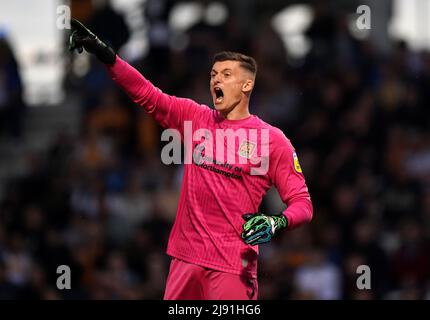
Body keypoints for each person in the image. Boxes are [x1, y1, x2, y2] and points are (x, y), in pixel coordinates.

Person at [68, 18, 313, 300]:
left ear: (247, 85)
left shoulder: (272, 140)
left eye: (226, 75)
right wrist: (108, 57)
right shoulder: (194, 117)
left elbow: (303, 204)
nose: (216, 82)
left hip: (233, 266)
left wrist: (275, 223)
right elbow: (147, 94)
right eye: (214, 75)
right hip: (186, 260)